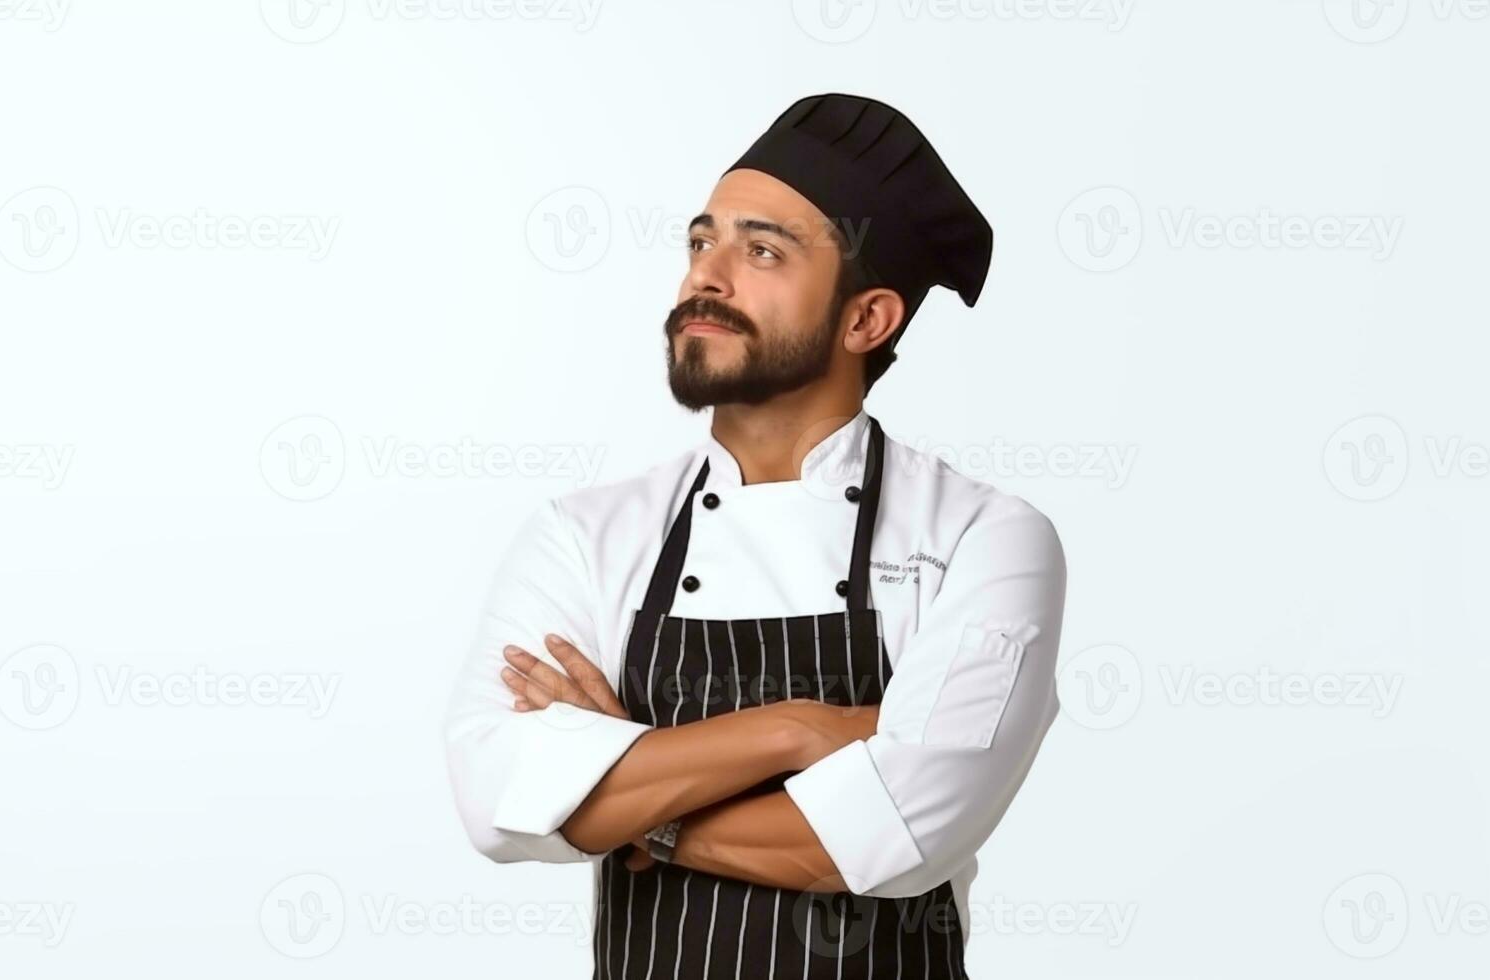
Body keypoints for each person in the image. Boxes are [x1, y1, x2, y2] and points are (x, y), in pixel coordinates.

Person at [444, 92, 1066, 979]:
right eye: (702, 242)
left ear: (865, 320)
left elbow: (895, 840)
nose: (707, 275)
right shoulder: (583, 535)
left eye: (761, 250)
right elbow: (497, 800)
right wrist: (799, 731)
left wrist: (629, 799)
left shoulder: (986, 537)